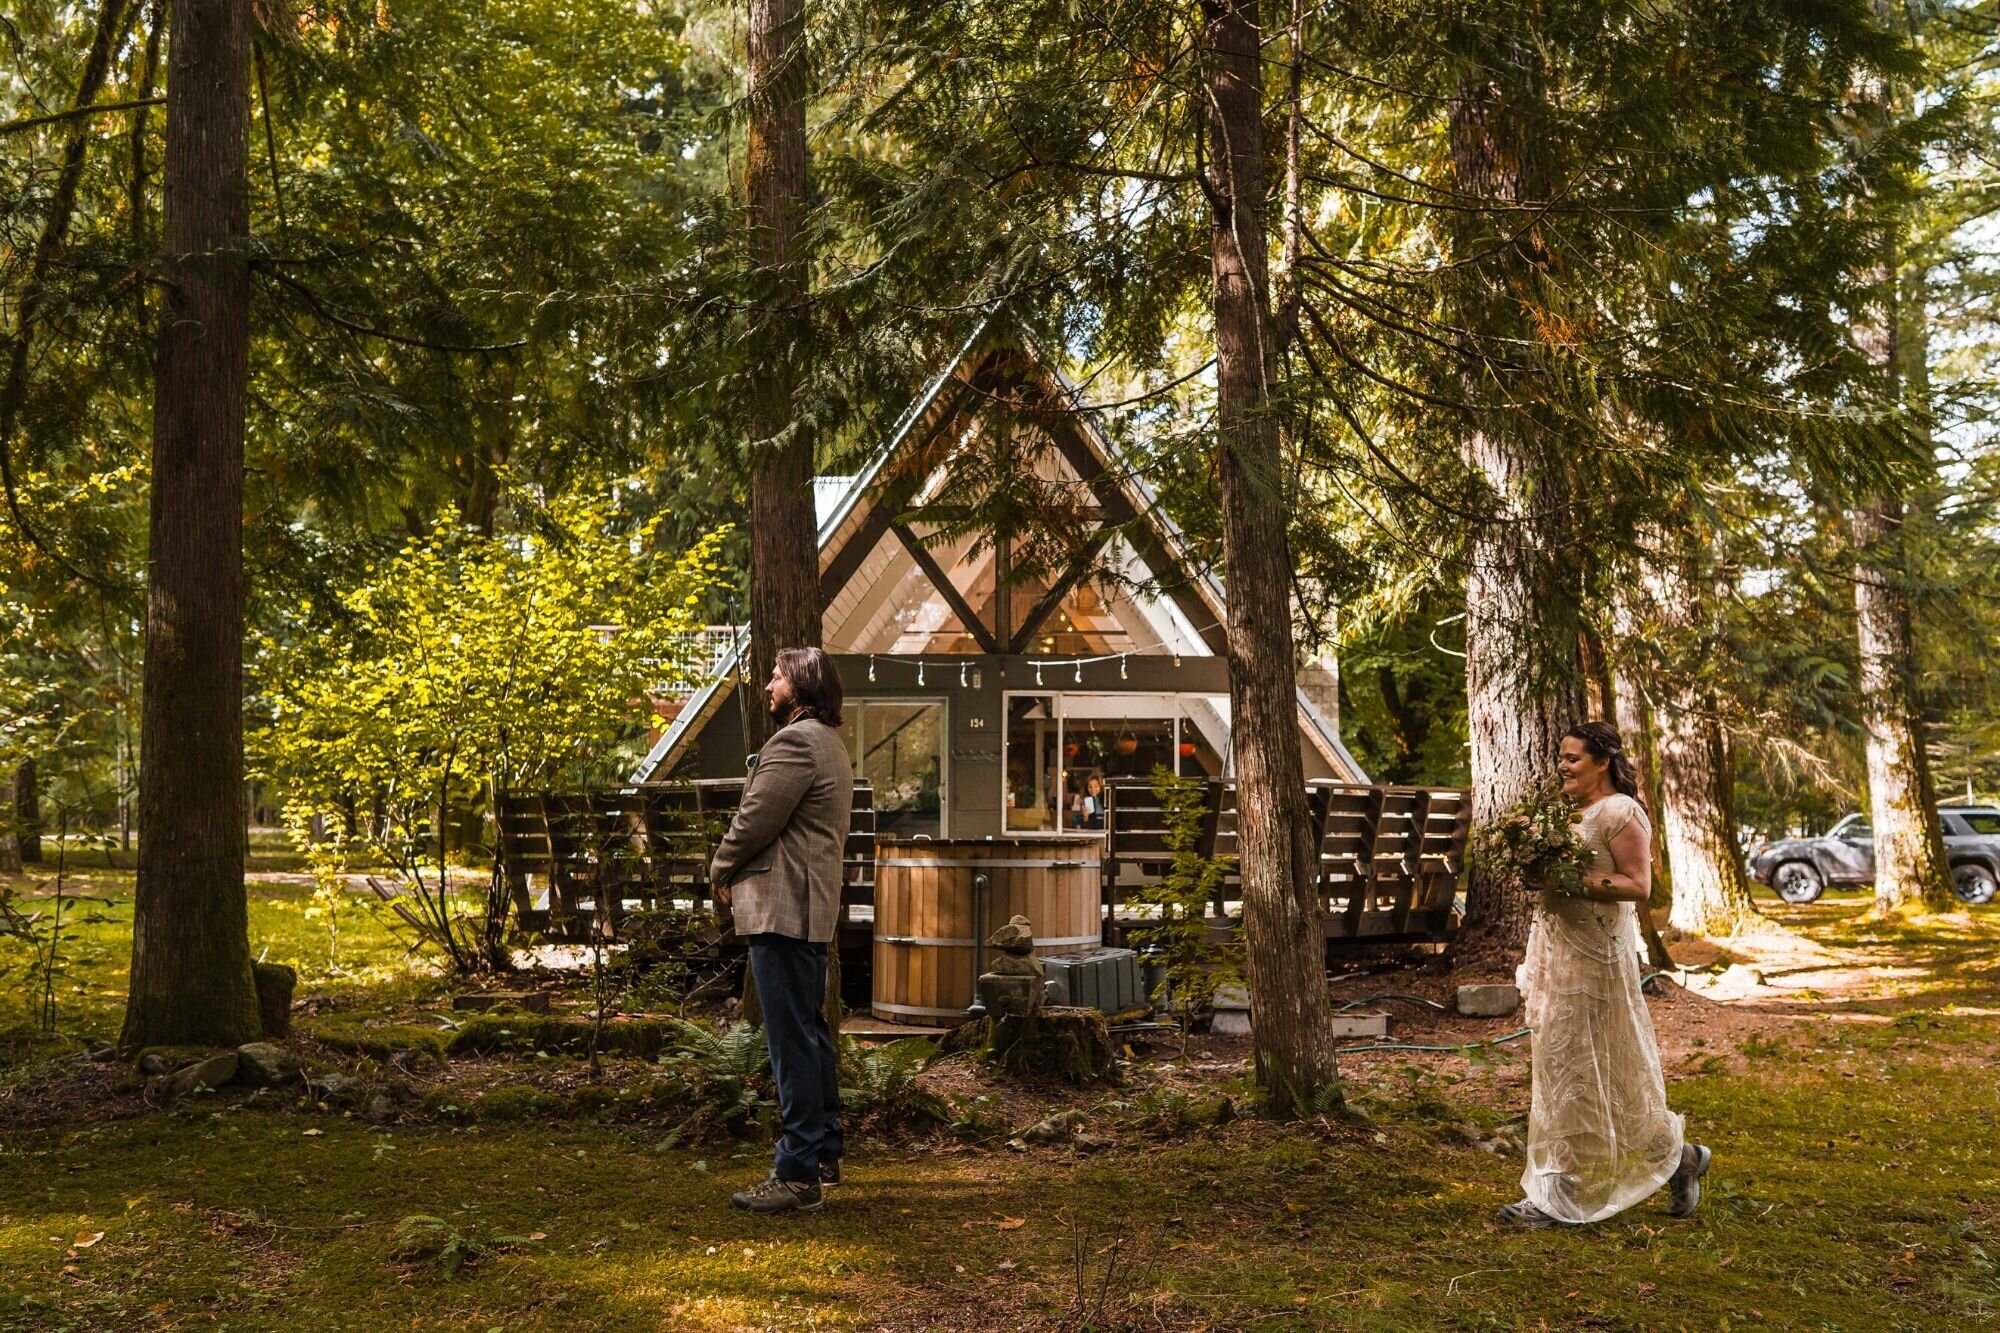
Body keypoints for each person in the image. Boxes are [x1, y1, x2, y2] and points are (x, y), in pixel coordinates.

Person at [1500, 721, 1711, 1229]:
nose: (1562, 766)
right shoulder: (1572, 816)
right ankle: (1679, 1158)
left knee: (1582, 1068)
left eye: (1572, 758)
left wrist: (1567, 879)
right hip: (1560, 952)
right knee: (1576, 1069)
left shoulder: (1620, 811)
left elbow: (1639, 885)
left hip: (1596, 959)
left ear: (1602, 761)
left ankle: (1558, 1195)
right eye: (1561, 756)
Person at [710, 647, 854, 1215]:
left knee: (790, 1041)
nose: (768, 686)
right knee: (809, 1034)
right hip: (808, 910)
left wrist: (719, 867)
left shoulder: (795, 742)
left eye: (776, 677)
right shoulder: (831, 746)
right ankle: (823, 1153)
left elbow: (755, 820)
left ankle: (797, 1175)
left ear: (802, 686)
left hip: (783, 909)